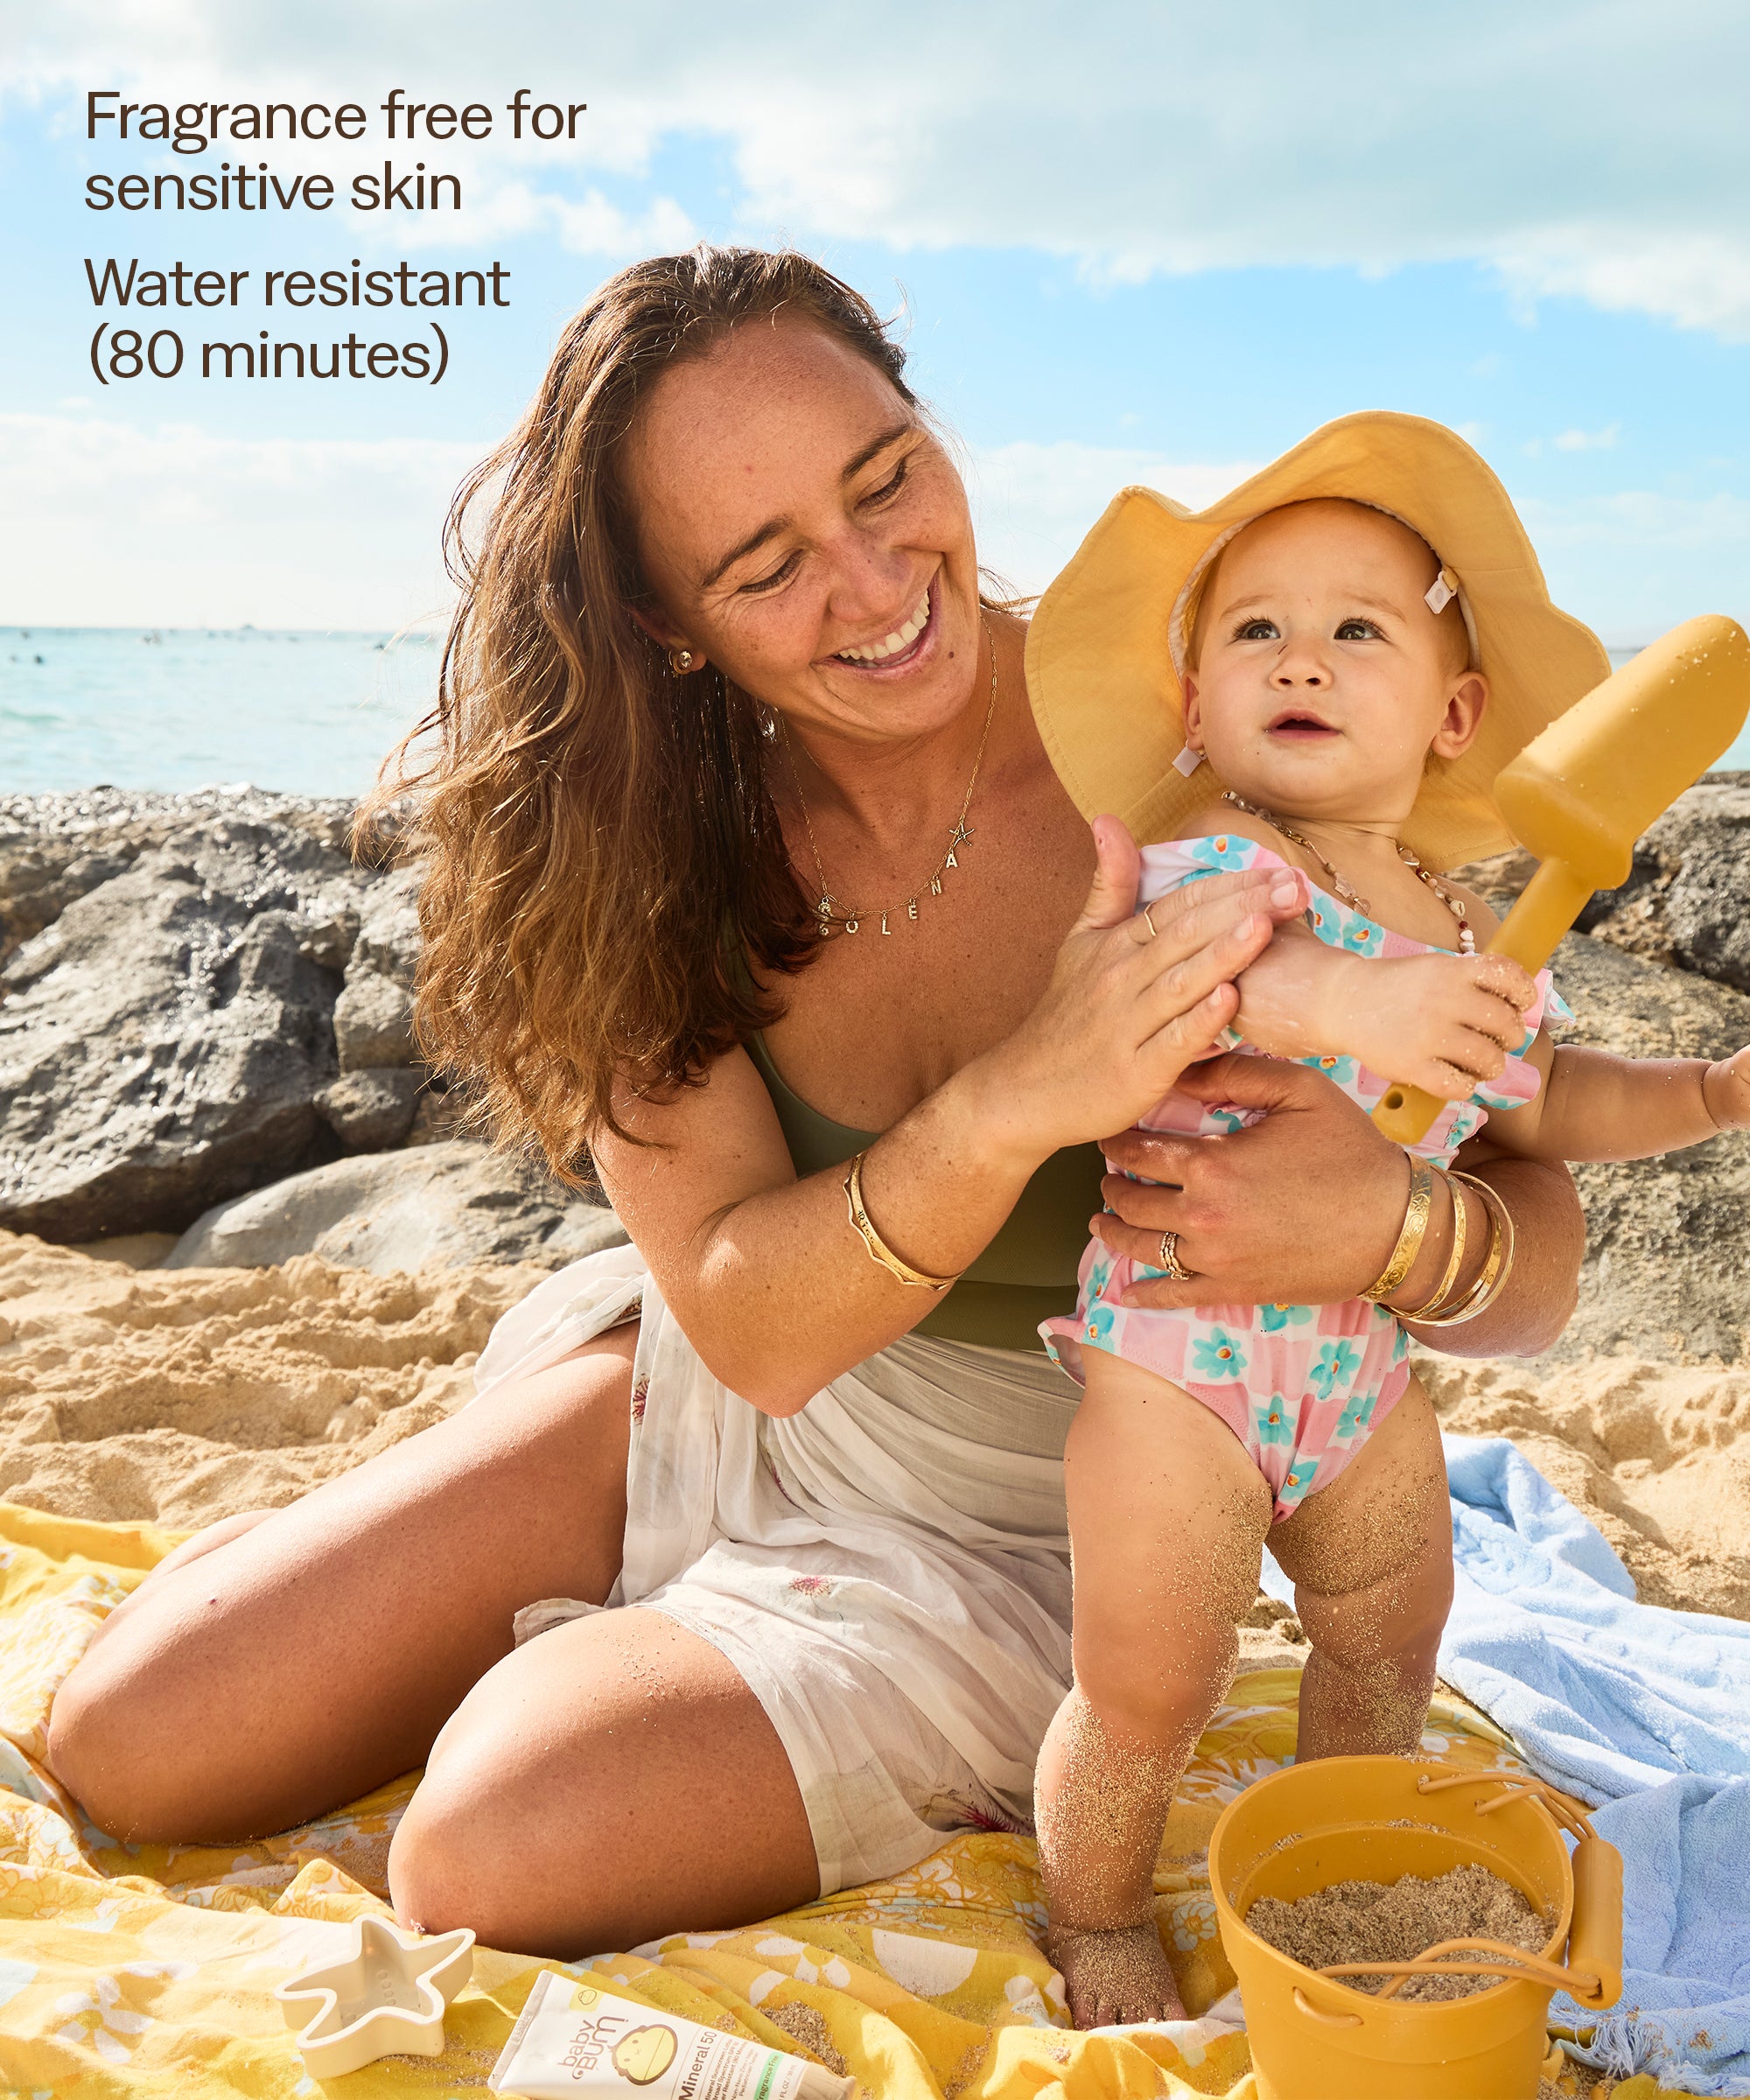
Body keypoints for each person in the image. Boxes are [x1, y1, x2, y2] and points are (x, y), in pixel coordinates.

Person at [45, 258, 1585, 1973]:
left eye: (885, 480)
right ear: (661, 623)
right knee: (134, 1739)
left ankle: (680, 1677)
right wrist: (1018, 1098)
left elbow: (1539, 1238)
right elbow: (750, 1330)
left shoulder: (1216, 723)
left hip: (1047, 1513)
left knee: (492, 1848)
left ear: (927, 423)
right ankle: (619, 1607)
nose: (870, 584)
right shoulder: (634, 839)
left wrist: (1406, 1230)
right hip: (721, 1385)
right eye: (764, 565)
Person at [1024, 416, 1750, 2024]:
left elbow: (1544, 1099)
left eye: (1361, 629)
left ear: (1457, 714)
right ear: (1194, 698)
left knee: (1388, 1628)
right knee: (1150, 1680)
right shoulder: (1211, 862)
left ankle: (1347, 1863)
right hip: (1176, 1366)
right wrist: (1359, 997)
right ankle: (1093, 1914)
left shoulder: (1465, 919)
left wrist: (1700, 1091)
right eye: (1256, 631)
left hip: (1358, 1373)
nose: (1306, 658)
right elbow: (1213, 977)